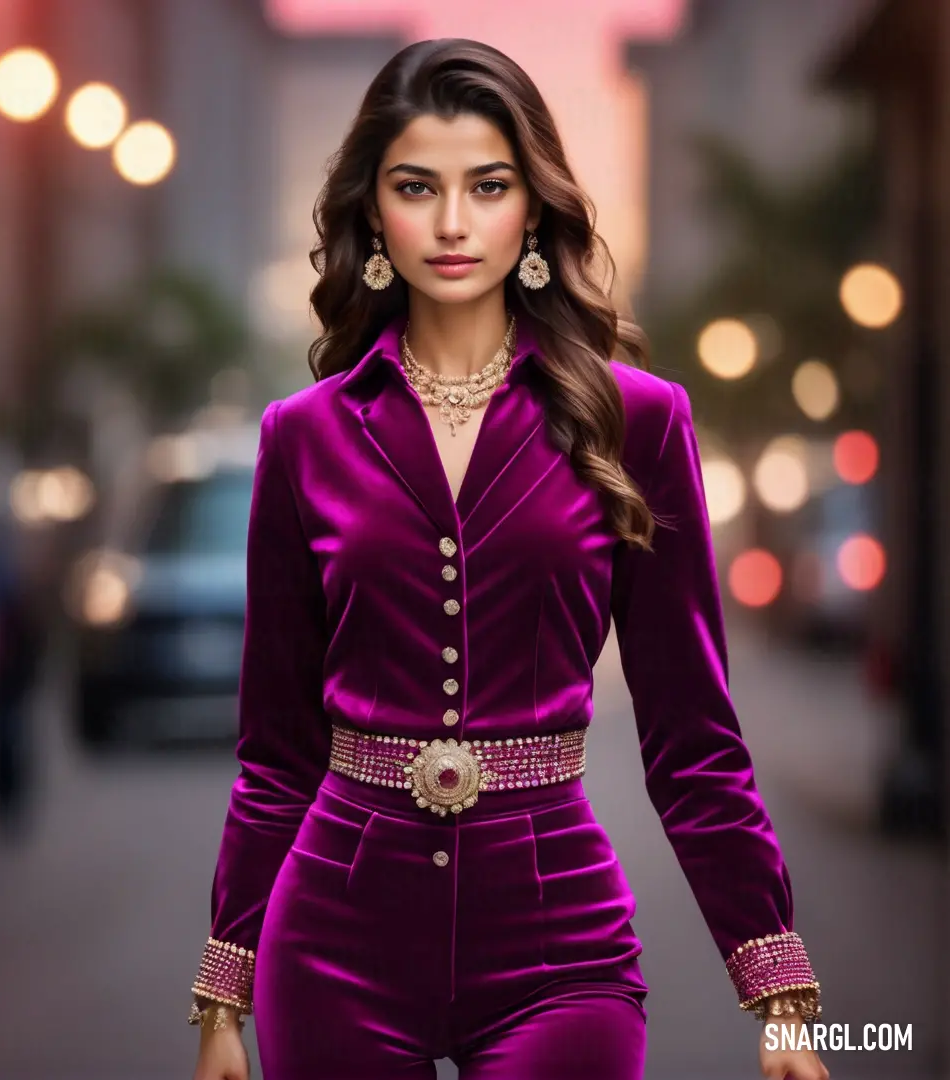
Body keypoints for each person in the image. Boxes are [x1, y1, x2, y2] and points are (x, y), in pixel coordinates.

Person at [189, 39, 829, 1080]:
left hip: (560, 944)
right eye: (415, 187)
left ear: (533, 209)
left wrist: (779, 988)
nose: (451, 223)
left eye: (487, 186)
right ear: (374, 215)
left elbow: (694, 740)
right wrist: (224, 988)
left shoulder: (637, 422)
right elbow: (275, 754)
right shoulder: (300, 436)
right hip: (335, 944)